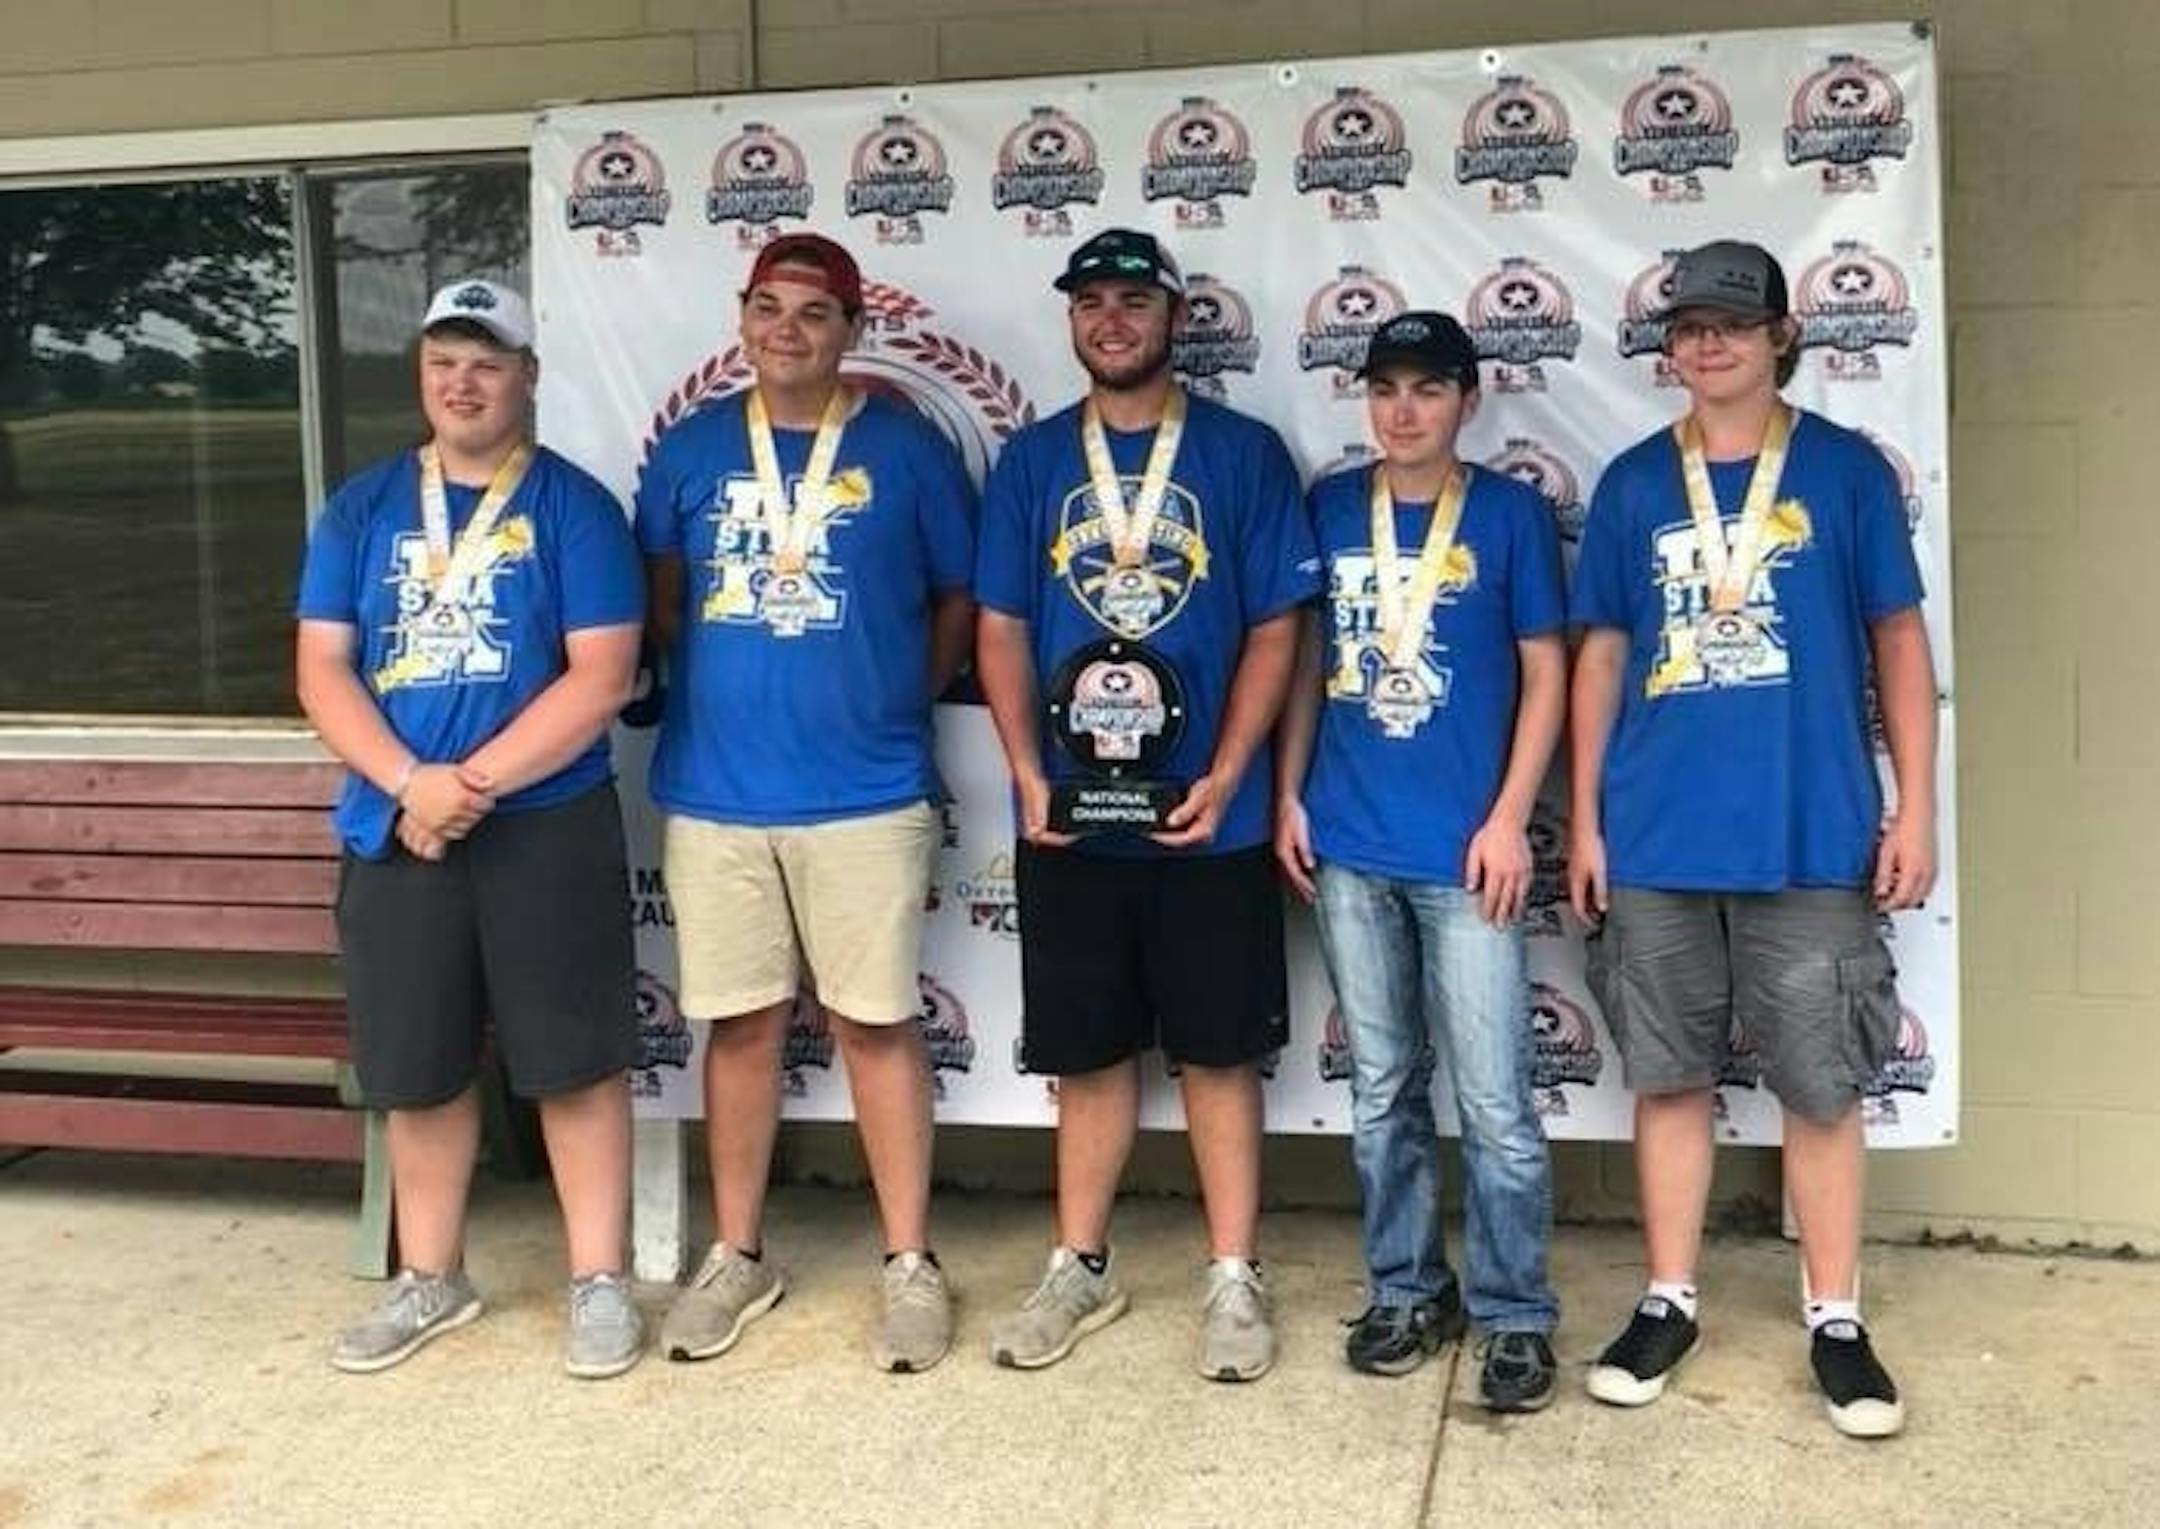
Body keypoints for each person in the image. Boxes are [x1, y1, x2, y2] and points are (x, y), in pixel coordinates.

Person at [1567, 240, 1937, 1438]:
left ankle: (1835, 1314)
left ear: (1783, 334)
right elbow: (1604, 653)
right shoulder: (1631, 483)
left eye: (1731, 322)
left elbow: (1898, 640)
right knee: (1668, 1076)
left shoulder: (1842, 474)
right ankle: (1669, 1296)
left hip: (1809, 829)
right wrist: (1584, 814)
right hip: (1659, 835)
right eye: (1686, 327)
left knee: (1822, 1082)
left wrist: (1916, 806)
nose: (1705, 343)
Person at [974, 227, 1318, 1381]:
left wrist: (1231, 769)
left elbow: (1278, 624)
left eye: (1133, 300)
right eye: (1091, 303)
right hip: (1074, 810)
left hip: (1204, 811)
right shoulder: (1030, 462)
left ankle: (1233, 1272)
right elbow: (1005, 625)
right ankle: (1082, 1260)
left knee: (1220, 1051)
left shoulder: (1242, 452)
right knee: (1090, 1048)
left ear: (1175, 317)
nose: (1111, 320)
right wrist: (1024, 764)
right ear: (1070, 320)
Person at [634, 233, 977, 1374]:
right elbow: (666, 604)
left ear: (853, 330)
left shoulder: (910, 449)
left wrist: (892, 696)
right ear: (742, 318)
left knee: (877, 1020)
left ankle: (910, 1259)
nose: (789, 330)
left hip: (867, 787)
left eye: (815, 313)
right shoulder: (688, 449)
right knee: (738, 1024)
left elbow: (956, 600)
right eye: (769, 308)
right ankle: (737, 1250)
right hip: (719, 788)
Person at [297, 278, 647, 1379]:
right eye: (445, 357)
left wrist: (468, 781)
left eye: (488, 360)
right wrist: (410, 781)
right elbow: (320, 666)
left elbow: (601, 677)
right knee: (419, 1065)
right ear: (422, 374)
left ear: (527, 378)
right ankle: (431, 1275)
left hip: (542, 821)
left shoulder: (575, 506)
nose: (464, 379)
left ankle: (600, 1279)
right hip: (397, 825)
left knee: (576, 1060)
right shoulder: (359, 508)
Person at [1274, 311, 1567, 1408]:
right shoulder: (1331, 506)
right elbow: (1309, 659)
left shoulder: (1510, 515)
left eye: (1428, 389)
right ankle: (1405, 1286)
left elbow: (1545, 672)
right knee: (1383, 1090)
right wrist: (1291, 790)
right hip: (1350, 841)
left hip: (1464, 853)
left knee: (1495, 1101)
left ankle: (1515, 1310)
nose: (1404, 410)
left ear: (1468, 398)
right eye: (1386, 388)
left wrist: (1507, 818)